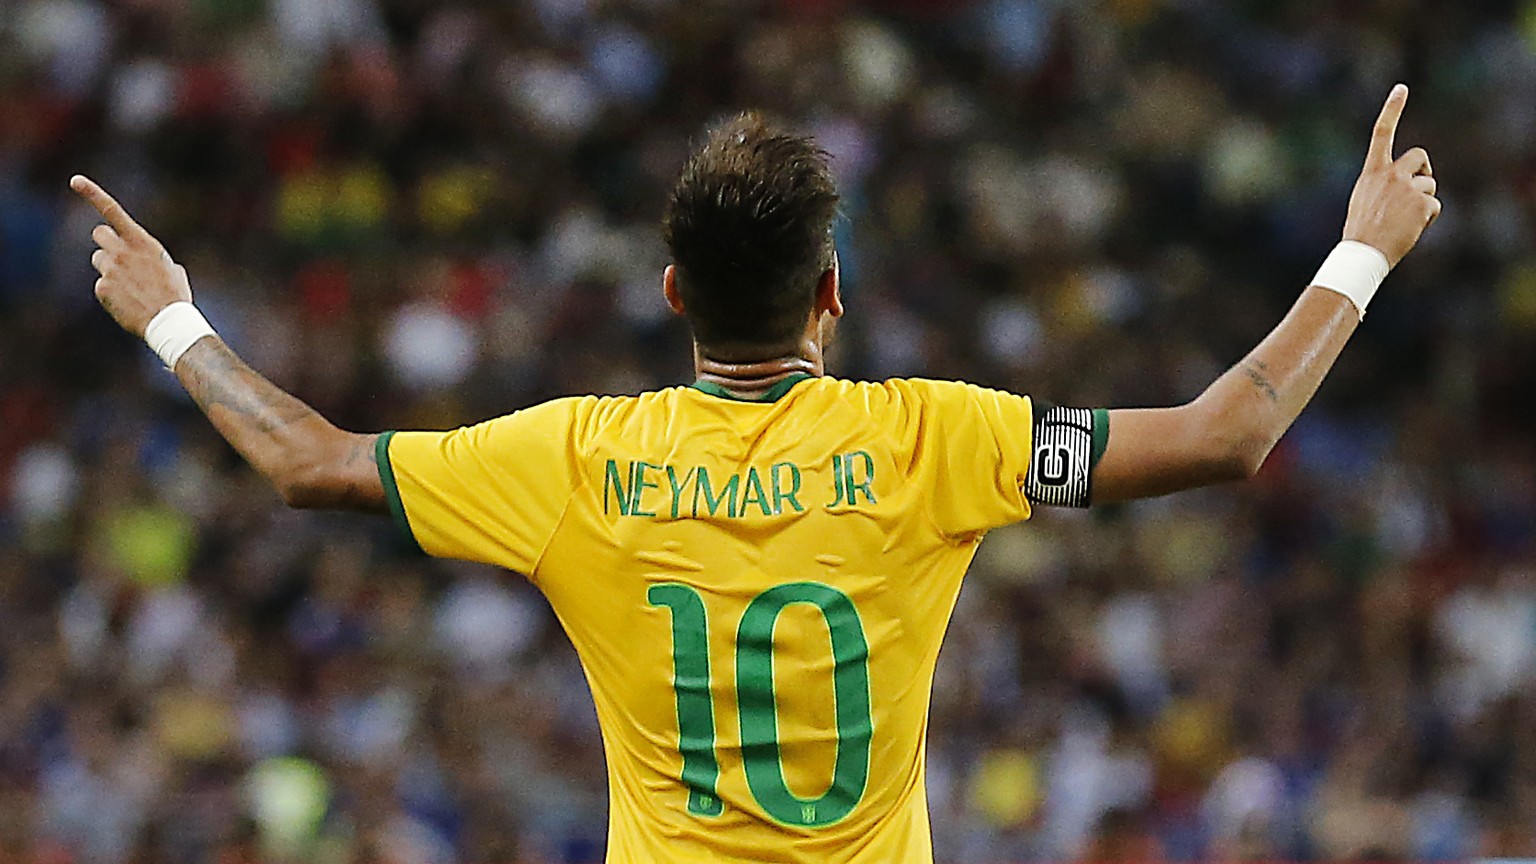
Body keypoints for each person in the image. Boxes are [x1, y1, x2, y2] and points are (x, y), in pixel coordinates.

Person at [73, 84, 1439, 864]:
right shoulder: (937, 442)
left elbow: (306, 460)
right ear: (832, 293)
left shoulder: (571, 460)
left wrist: (170, 315)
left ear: (671, 290)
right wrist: (1364, 250)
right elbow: (1223, 434)